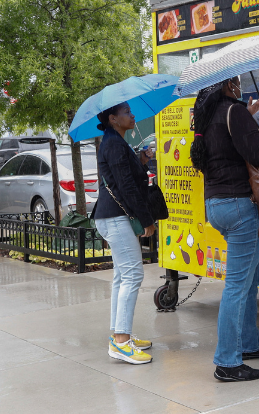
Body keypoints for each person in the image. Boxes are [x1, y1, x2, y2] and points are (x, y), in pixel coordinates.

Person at [190, 76, 259, 382]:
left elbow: (226, 148)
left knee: (250, 277)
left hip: (217, 206)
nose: (240, 85)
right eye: (237, 82)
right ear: (228, 85)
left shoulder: (208, 116)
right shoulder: (233, 111)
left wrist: (250, 111)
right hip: (241, 206)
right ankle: (227, 362)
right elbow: (257, 153)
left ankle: (249, 344)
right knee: (237, 286)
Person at [94, 102, 157, 365]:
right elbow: (127, 187)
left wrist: (140, 159)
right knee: (132, 274)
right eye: (127, 113)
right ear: (113, 119)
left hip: (111, 216)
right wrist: (147, 220)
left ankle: (120, 334)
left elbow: (126, 177)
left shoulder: (114, 141)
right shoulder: (113, 144)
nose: (132, 115)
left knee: (122, 276)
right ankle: (121, 342)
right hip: (116, 217)